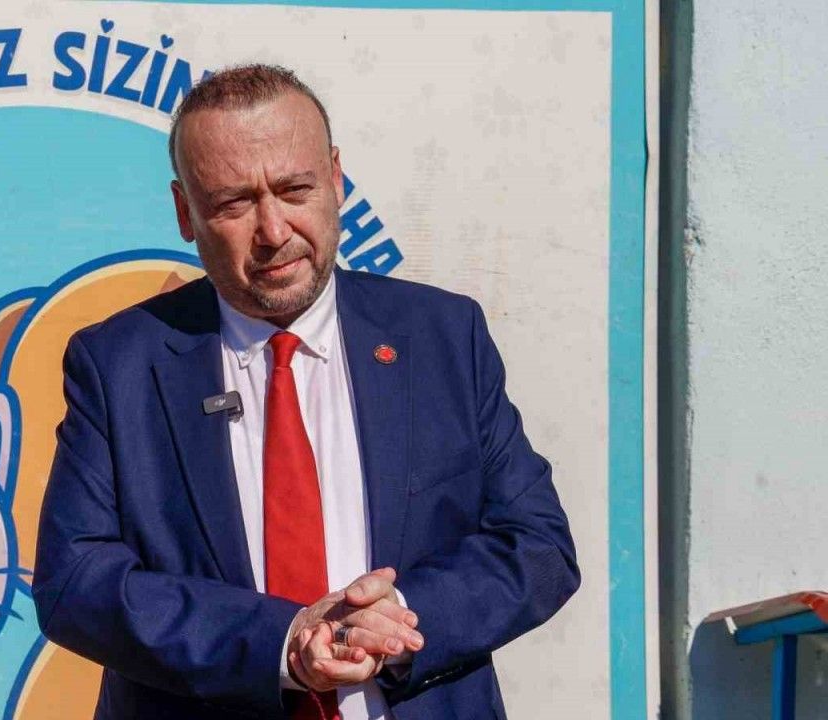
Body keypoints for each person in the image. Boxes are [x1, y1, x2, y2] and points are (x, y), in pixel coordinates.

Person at [31, 64, 580, 720]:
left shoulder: (442, 337)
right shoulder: (118, 364)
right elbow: (76, 583)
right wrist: (280, 643)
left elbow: (536, 543)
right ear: (185, 212)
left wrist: (403, 619)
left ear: (336, 178)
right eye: (234, 204)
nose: (273, 230)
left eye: (295, 190)